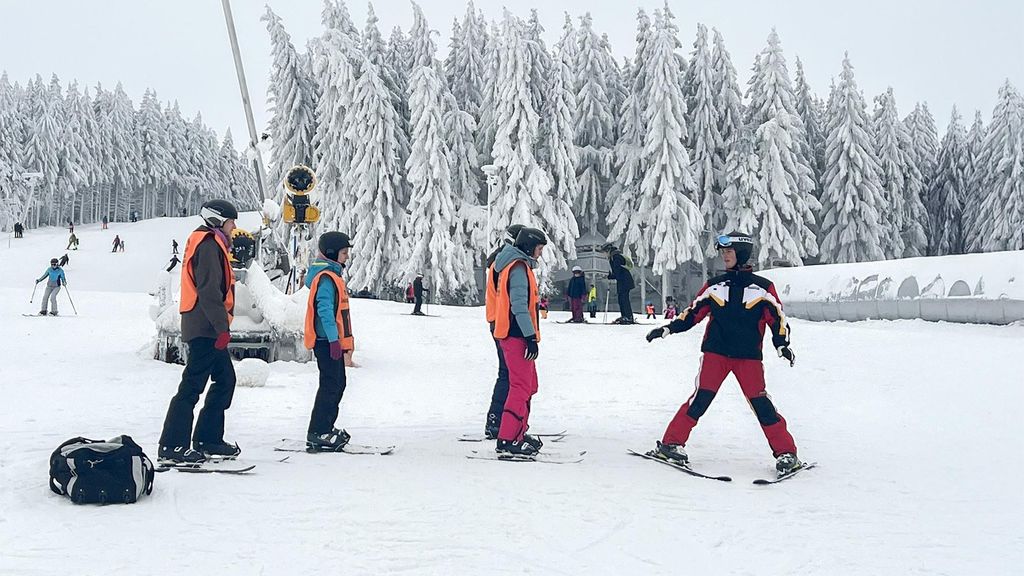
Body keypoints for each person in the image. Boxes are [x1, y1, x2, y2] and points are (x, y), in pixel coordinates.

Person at [645, 232, 802, 477]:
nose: (724, 256)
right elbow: (692, 314)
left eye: (729, 252)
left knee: (762, 405)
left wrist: (782, 344)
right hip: (715, 354)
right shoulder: (715, 286)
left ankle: (786, 454)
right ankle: (671, 444)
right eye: (723, 252)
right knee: (700, 399)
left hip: (748, 357)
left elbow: (777, 319)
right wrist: (667, 328)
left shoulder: (762, 288)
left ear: (741, 254)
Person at [157, 199, 240, 465]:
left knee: (225, 380)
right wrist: (221, 327)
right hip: (204, 326)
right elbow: (208, 290)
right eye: (231, 222)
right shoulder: (207, 245)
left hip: (208, 325)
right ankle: (172, 445)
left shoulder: (211, 243)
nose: (234, 227)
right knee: (192, 385)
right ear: (217, 221)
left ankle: (208, 438)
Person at [491, 227, 548, 457]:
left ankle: (518, 432)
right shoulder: (517, 268)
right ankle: (507, 439)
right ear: (527, 246)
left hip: (517, 335)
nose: (540, 253)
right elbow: (519, 306)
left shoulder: (519, 266)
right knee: (520, 387)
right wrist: (529, 337)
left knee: (530, 385)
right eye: (539, 248)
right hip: (516, 336)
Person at [303, 232, 357, 451]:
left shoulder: (333, 276)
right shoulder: (326, 277)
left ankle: (326, 426)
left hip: (332, 342)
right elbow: (324, 310)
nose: (346, 257)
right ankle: (317, 431)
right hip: (326, 342)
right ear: (334, 253)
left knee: (338, 384)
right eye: (344, 253)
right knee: (330, 385)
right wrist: (334, 340)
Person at [483, 224, 525, 439]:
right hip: (503, 323)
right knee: (509, 374)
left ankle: (498, 419)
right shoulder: (505, 262)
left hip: (498, 321)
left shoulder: (499, 259)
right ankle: (498, 420)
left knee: (506, 373)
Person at [602, 244, 635, 324]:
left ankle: (628, 316)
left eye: (604, 252)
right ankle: (625, 315)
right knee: (621, 299)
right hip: (622, 281)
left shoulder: (616, 257)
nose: (604, 254)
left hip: (624, 281)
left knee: (624, 299)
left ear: (608, 250)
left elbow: (618, 271)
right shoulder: (614, 257)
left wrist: (611, 276)